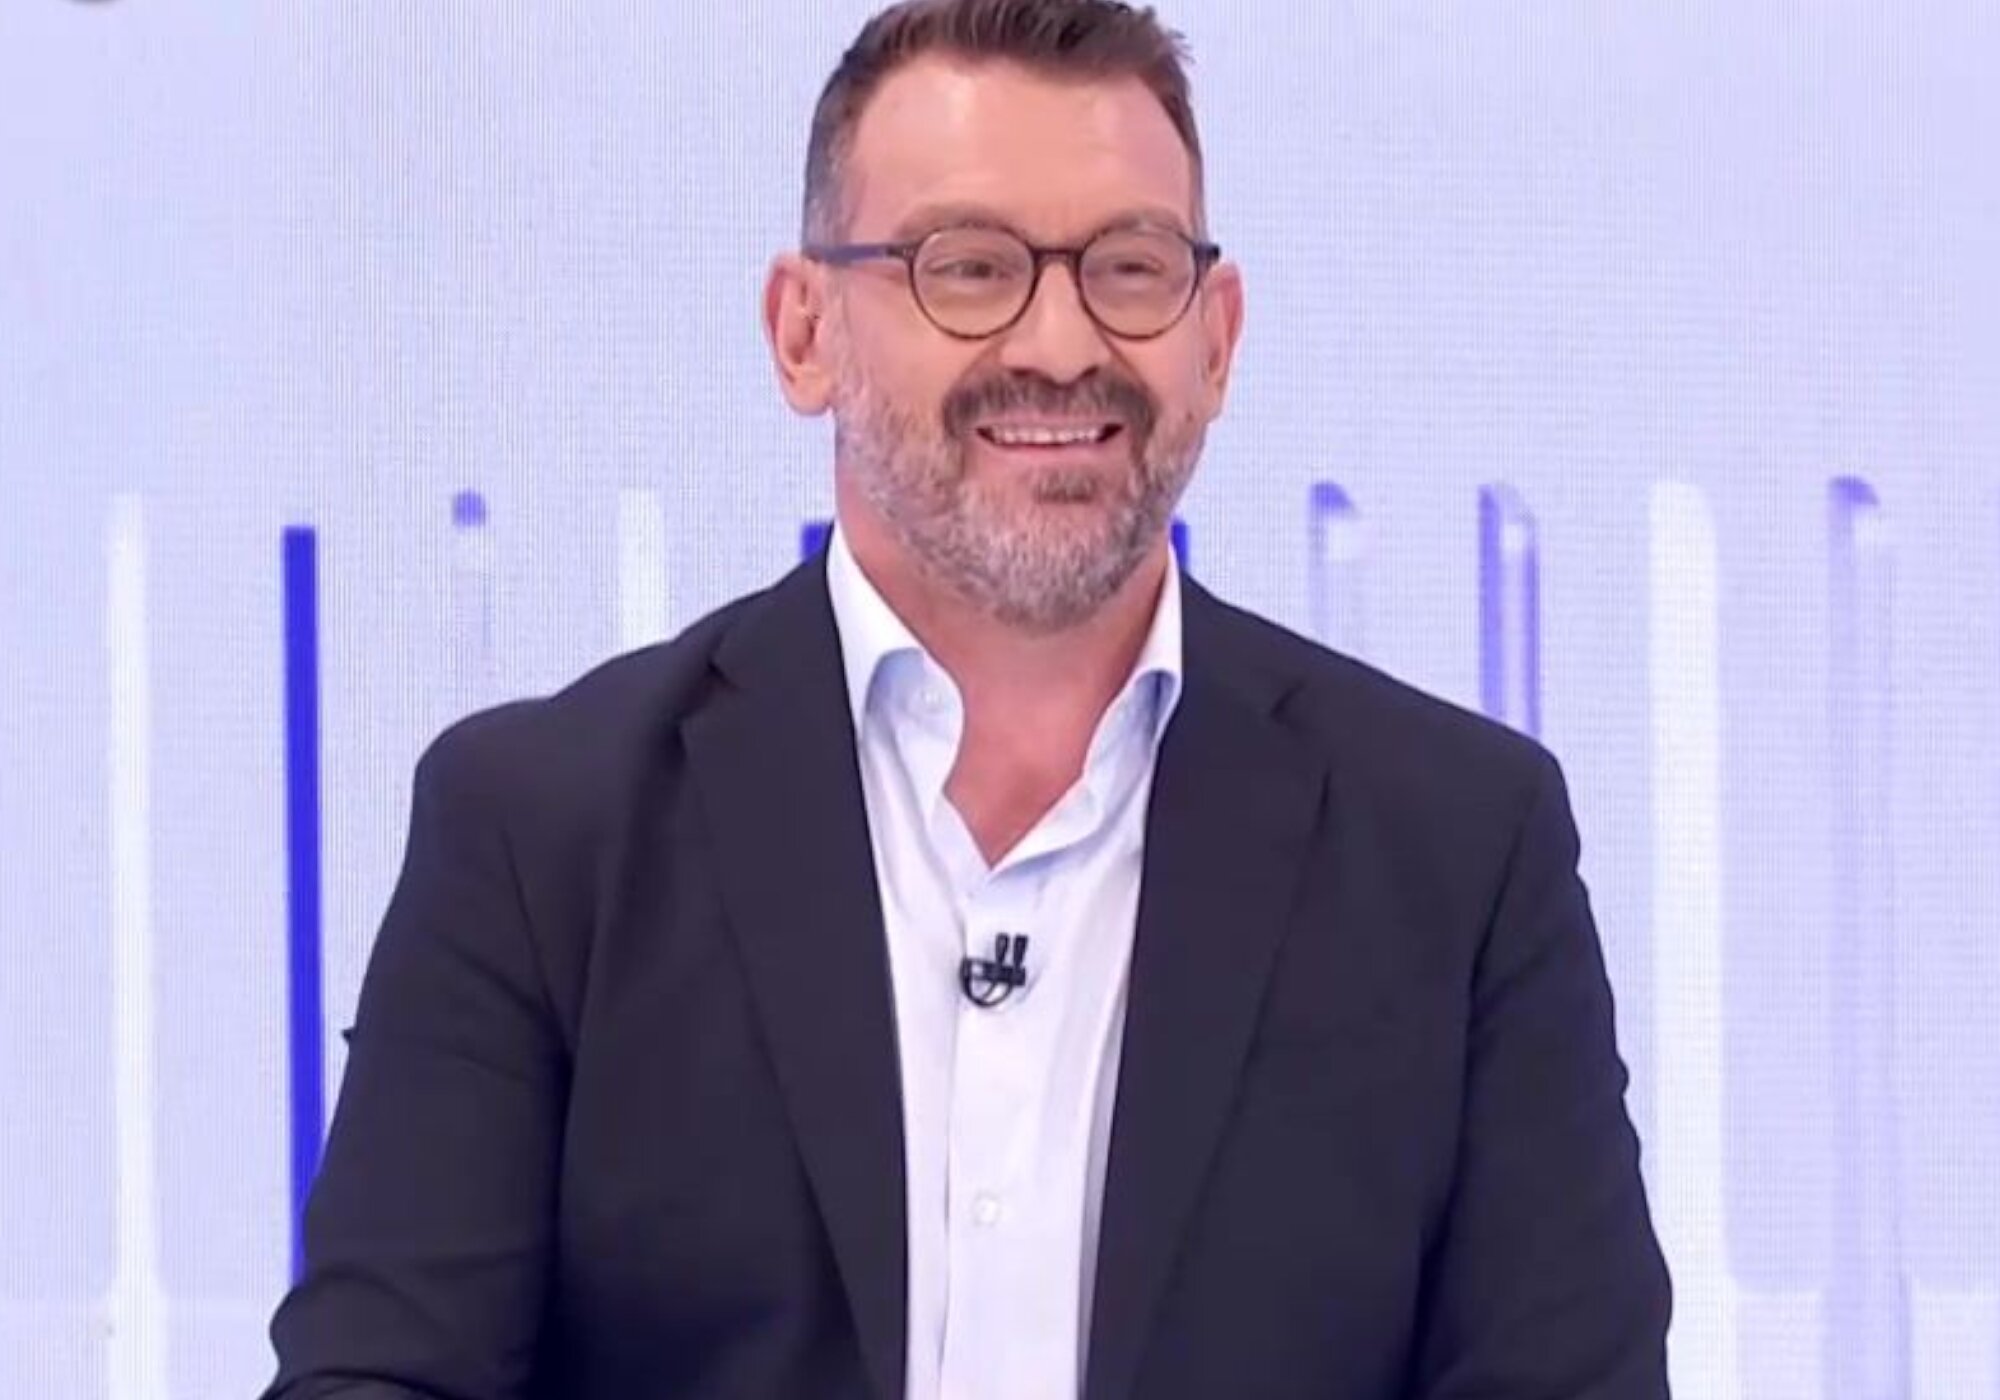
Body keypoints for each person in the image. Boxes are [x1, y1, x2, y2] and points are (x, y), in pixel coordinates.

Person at [262, 1, 1671, 1396]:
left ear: (1218, 338)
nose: (1059, 344)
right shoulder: (540, 833)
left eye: (1130, 269)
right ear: (804, 331)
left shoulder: (1459, 849)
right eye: (970, 268)